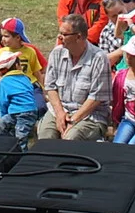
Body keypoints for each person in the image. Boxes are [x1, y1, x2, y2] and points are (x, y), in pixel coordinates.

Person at [37, 14, 111, 142]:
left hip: (90, 116)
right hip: (59, 110)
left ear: (79, 37)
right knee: (45, 138)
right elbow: (51, 87)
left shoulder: (99, 58)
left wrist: (73, 120)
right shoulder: (57, 53)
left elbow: (96, 98)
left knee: (70, 139)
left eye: (64, 34)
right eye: (59, 33)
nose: (59, 37)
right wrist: (60, 114)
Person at [0, 49, 42, 147]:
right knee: (17, 132)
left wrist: (2, 116)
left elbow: (2, 101)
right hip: (29, 111)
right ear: (17, 66)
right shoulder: (26, 78)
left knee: (16, 134)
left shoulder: (3, 82)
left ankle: (15, 153)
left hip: (21, 112)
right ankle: (8, 147)